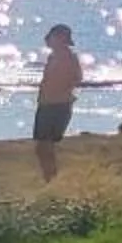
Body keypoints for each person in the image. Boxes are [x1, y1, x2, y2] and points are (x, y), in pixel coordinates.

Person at [33, 24, 82, 184]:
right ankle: (50, 178)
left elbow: (76, 78)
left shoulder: (69, 57)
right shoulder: (53, 57)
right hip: (48, 102)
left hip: (58, 104)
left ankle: (51, 179)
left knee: (45, 145)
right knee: (43, 146)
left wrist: (61, 87)